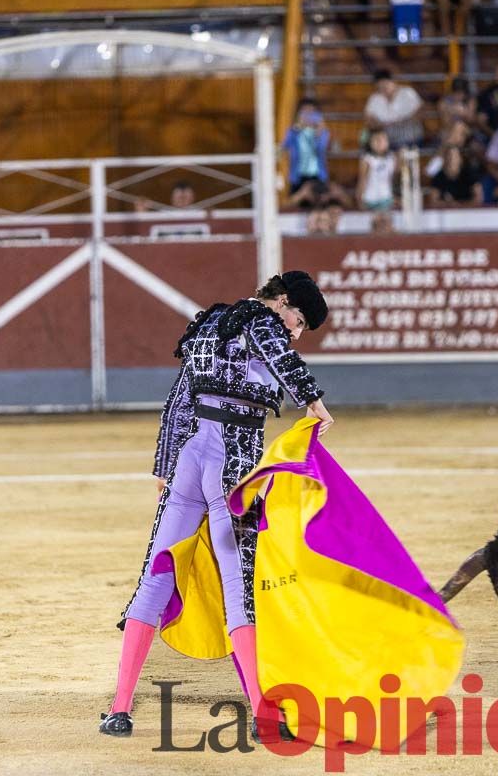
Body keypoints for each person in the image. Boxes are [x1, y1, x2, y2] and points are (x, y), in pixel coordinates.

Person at [103, 272, 332, 740]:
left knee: (156, 575)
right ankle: (264, 714)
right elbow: (278, 350)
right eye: (299, 320)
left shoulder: (209, 324)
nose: (295, 332)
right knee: (238, 585)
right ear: (282, 301)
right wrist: (313, 401)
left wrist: (165, 466)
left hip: (191, 458)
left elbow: (179, 400)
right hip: (235, 464)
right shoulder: (262, 320)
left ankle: (119, 710)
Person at [282, 98, 331, 194]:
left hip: (317, 176)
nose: (308, 116)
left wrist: (318, 133)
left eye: (311, 112)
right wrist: (297, 128)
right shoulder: (293, 132)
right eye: (305, 111)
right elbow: (285, 146)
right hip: (298, 176)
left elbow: (322, 150)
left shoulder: (323, 133)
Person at [363, 70, 423, 149]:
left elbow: (420, 113)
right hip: (386, 144)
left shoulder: (408, 93)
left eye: (385, 85)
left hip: (410, 139)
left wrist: (402, 122)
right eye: (379, 88)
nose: (383, 89)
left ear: (393, 81)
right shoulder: (374, 99)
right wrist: (380, 124)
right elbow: (368, 120)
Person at [358, 128, 397, 233]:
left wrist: (392, 196)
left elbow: (391, 179)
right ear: (370, 143)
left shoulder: (392, 158)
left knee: (387, 224)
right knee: (374, 225)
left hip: (386, 198)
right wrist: (360, 198)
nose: (379, 143)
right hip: (370, 198)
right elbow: (362, 180)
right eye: (376, 140)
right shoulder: (367, 159)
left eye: (382, 140)